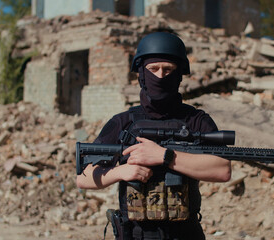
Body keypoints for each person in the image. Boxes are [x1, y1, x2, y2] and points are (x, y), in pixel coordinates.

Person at [76, 31, 231, 240]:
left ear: (179, 74)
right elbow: (83, 178)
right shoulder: (124, 123)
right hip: (135, 234)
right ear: (141, 73)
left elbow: (222, 170)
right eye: (153, 68)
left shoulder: (196, 121)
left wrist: (165, 156)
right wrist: (121, 171)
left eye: (168, 69)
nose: (160, 76)